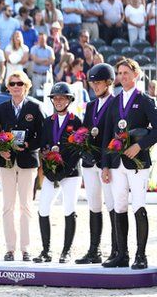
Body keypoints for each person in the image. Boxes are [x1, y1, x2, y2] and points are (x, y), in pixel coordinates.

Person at [101, 58, 157, 270]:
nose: (122, 77)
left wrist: (140, 145)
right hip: (117, 163)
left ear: (136, 75)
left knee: (139, 205)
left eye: (126, 73)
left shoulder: (145, 100)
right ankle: (121, 254)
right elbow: (107, 133)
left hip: (137, 163)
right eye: (120, 73)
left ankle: (141, 255)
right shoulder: (114, 102)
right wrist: (105, 164)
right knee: (120, 206)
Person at [0, 71, 45, 261]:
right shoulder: (0, 108)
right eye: (12, 84)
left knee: (26, 206)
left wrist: (31, 145)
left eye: (19, 83)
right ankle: (10, 248)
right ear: (8, 87)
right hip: (5, 162)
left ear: (26, 86)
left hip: (27, 161)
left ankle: (26, 248)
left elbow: (43, 135)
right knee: (7, 206)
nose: (15, 87)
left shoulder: (35, 108)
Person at [34, 82, 82, 264]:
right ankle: (46, 250)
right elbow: (44, 148)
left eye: (62, 98)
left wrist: (63, 171)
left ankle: (66, 251)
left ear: (69, 100)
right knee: (43, 208)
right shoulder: (48, 122)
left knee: (69, 209)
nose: (59, 101)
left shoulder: (76, 121)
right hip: (51, 173)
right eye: (56, 98)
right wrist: (49, 170)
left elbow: (77, 150)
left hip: (70, 172)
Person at [75, 63, 116, 265]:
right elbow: (85, 131)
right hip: (90, 162)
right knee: (93, 205)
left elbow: (114, 135)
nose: (95, 87)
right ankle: (94, 250)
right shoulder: (91, 105)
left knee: (112, 204)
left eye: (98, 83)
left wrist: (105, 159)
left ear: (109, 82)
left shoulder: (115, 103)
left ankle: (116, 249)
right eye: (92, 83)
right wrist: (84, 149)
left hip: (107, 162)